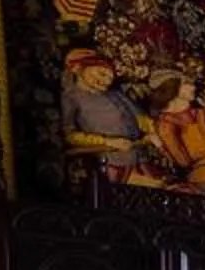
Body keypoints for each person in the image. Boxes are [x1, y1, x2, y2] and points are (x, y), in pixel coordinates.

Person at [59, 48, 155, 180]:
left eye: (110, 78)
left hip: (139, 157)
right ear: (79, 68)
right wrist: (109, 142)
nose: (106, 81)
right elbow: (69, 135)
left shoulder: (116, 94)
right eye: (101, 74)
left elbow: (140, 117)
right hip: (109, 162)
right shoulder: (70, 98)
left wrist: (153, 132)